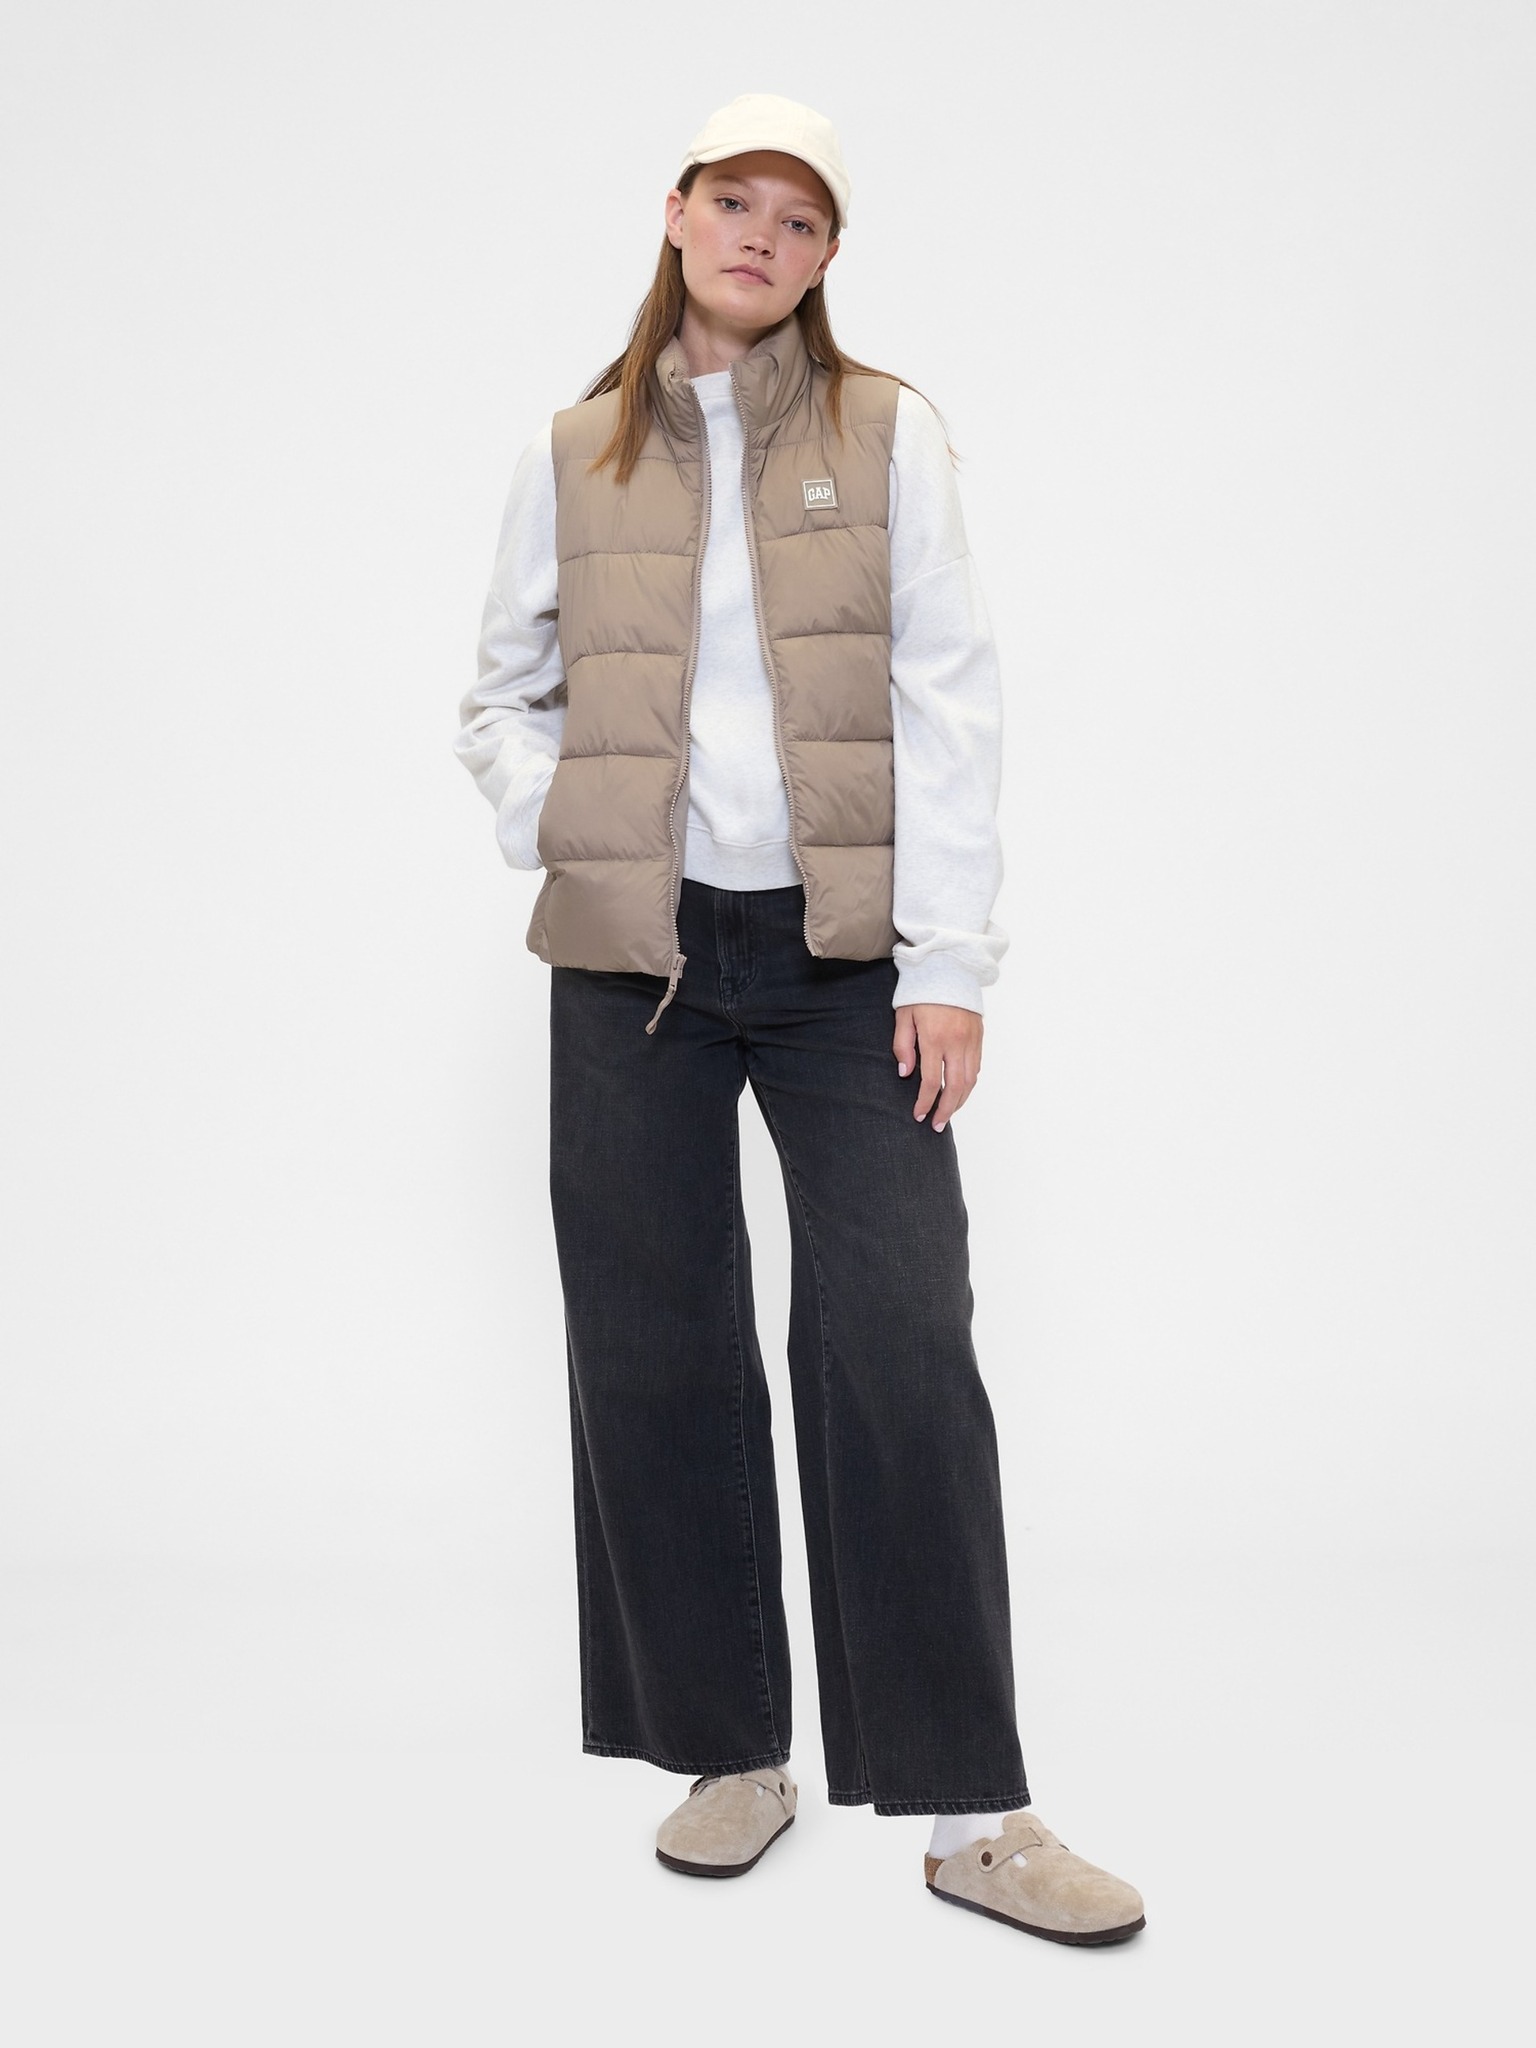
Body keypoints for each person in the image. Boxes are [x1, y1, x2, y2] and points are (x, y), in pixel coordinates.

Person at [452, 91, 1145, 1946]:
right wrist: (564, 822)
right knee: (657, 1349)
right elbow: (498, 695)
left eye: (803, 218)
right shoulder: (574, 448)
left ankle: (973, 1811)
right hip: (635, 963)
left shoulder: (887, 429)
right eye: (736, 201)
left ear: (829, 255)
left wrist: (951, 962)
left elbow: (954, 693)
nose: (763, 236)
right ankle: (729, 1753)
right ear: (677, 211)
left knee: (901, 1343)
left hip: (847, 962)